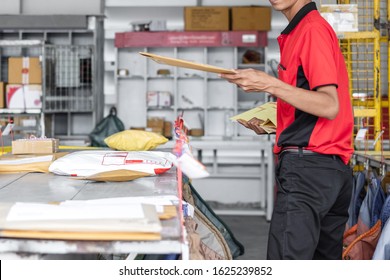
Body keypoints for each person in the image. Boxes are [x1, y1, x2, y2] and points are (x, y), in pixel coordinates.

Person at [220, 0, 354, 260]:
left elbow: (328, 105)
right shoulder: (299, 31)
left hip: (309, 172)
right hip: (328, 170)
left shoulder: (311, 29)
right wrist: (277, 121)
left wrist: (270, 84)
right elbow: (310, 100)